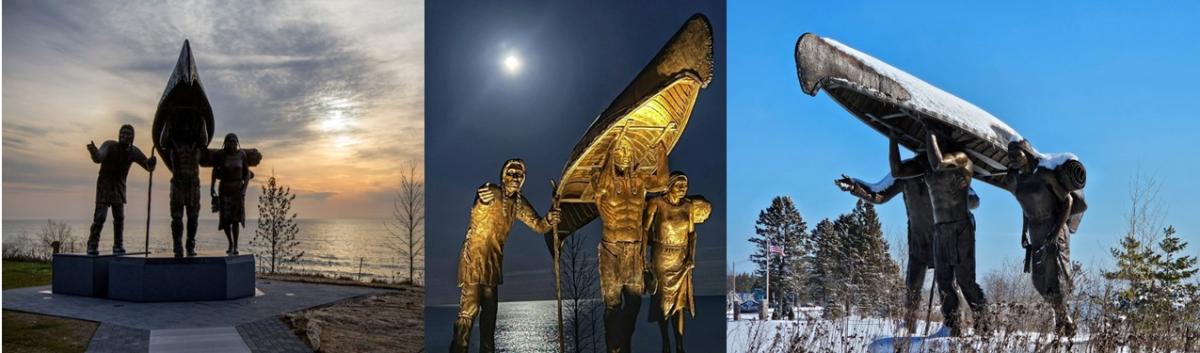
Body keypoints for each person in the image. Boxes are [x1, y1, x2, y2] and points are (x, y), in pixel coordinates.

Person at [836, 136, 978, 332]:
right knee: (912, 287)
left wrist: (957, 198)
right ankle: (907, 330)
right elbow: (879, 193)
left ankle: (955, 327)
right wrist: (855, 186)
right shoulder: (906, 173)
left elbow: (973, 199)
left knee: (948, 286)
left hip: (945, 236)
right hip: (918, 241)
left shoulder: (948, 172)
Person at [451, 159, 561, 353]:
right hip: (474, 259)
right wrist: (481, 200)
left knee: (490, 316)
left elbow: (538, 225)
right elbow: (478, 210)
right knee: (468, 312)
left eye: (520, 175)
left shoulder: (518, 203)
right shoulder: (492, 193)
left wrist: (550, 219)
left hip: (493, 264)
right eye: (512, 173)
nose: (516, 178)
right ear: (503, 176)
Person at [896, 123, 988, 336]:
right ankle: (952, 326)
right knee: (944, 282)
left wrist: (929, 130)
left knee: (966, 282)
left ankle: (984, 326)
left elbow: (938, 163)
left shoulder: (961, 159)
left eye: (935, 138)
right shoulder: (926, 168)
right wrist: (893, 135)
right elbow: (897, 171)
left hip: (961, 228)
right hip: (940, 230)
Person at [589, 138, 669, 353]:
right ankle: (612, 347)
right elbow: (599, 187)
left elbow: (662, 181)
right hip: (611, 249)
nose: (624, 154)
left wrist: (660, 149)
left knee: (634, 302)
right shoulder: (601, 177)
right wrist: (609, 148)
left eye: (628, 149)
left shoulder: (640, 180)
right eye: (619, 150)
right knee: (613, 304)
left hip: (634, 248)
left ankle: (622, 343)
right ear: (612, 154)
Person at [1002, 139, 1084, 336]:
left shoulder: (1044, 174)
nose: (1014, 159)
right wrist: (1023, 232)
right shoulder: (1018, 180)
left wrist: (1055, 234)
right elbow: (1025, 208)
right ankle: (1062, 318)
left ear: (1027, 153)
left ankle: (1065, 324)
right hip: (1035, 230)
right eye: (1011, 156)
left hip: (1053, 228)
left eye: (1017, 154)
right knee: (1039, 281)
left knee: (1056, 277)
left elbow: (1068, 202)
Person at [644, 172, 710, 353]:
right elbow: (645, 229)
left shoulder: (688, 206)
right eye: (679, 185)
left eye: (685, 186)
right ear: (670, 185)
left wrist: (691, 257)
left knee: (680, 304)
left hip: (681, 258)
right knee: (663, 303)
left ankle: (680, 344)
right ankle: (665, 341)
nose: (683, 189)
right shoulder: (656, 203)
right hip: (662, 257)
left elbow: (691, 234)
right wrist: (643, 258)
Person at [85, 124, 156, 255]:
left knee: (119, 218)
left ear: (132, 138)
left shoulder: (133, 151)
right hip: (104, 186)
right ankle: (92, 244)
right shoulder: (109, 145)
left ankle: (118, 244)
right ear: (119, 135)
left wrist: (151, 163)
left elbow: (147, 166)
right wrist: (93, 151)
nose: (124, 135)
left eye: (128, 134)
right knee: (100, 217)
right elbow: (99, 157)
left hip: (119, 187)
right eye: (122, 133)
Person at [160, 113, 207, 257]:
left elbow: (204, 140)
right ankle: (177, 245)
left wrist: (203, 119)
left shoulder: (197, 146)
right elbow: (162, 141)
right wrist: (168, 119)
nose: (186, 130)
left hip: (193, 185)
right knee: (177, 218)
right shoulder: (172, 146)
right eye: (183, 128)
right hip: (177, 184)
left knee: (193, 218)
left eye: (189, 128)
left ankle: (190, 244)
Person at [210, 133, 253, 255]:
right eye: (229, 141)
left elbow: (247, 173)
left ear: (237, 143)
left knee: (236, 219)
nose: (232, 143)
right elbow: (214, 171)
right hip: (224, 189)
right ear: (225, 143)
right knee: (225, 220)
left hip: (237, 190)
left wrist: (244, 190)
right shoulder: (221, 155)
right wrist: (212, 187)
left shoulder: (242, 155)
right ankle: (230, 242)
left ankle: (236, 245)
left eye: (234, 141)